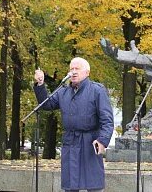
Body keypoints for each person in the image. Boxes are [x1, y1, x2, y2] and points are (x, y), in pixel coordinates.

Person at [34, 57, 114, 192]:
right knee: (71, 185)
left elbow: (107, 120)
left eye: (77, 68)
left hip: (90, 142)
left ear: (87, 72)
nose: (74, 72)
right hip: (70, 142)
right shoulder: (63, 91)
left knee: (93, 184)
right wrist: (40, 85)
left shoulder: (97, 90)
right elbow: (46, 105)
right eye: (72, 69)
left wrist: (102, 141)